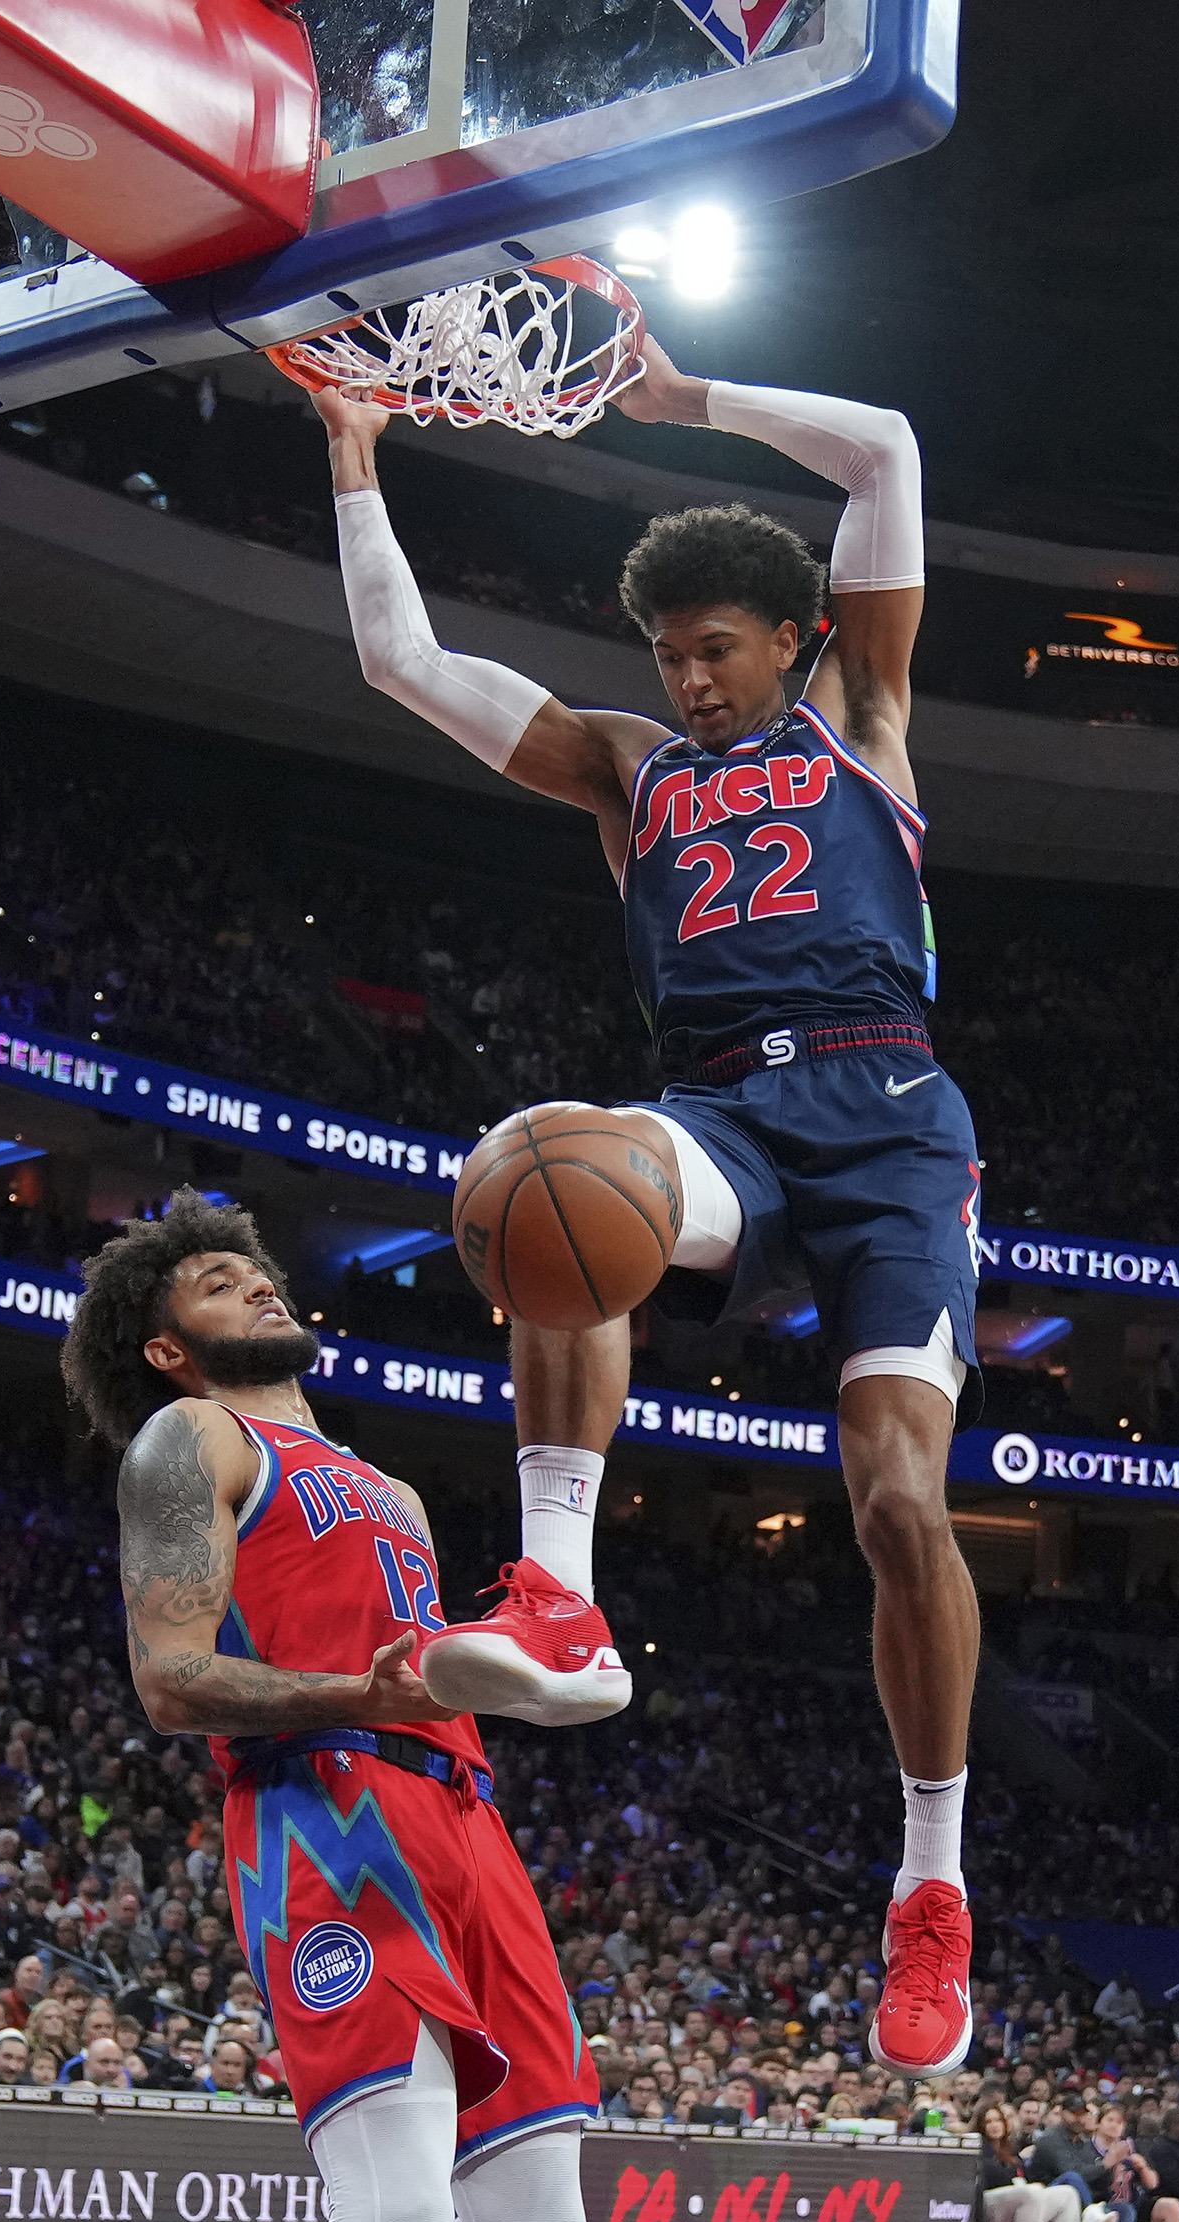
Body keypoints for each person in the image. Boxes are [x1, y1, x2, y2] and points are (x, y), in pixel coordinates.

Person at [314, 339, 988, 2084]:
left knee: (902, 1509)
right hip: (726, 1117)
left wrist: (687, 402)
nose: (686, 678)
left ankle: (930, 1879)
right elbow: (399, 659)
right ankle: (558, 1594)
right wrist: (357, 457)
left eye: (715, 648)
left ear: (796, 642)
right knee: (552, 1184)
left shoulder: (869, 725)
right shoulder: (626, 771)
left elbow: (890, 448)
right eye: (667, 654)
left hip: (896, 1128)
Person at [68, 1199, 597, 2222]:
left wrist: (513, 1668)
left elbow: (439, 1675)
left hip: (463, 1831)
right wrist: (389, 1692)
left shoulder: (385, 1484)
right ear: (167, 1341)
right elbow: (170, 1677)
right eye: (223, 1277)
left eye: (266, 1263)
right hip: (326, 1821)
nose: (265, 1281)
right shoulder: (186, 1438)